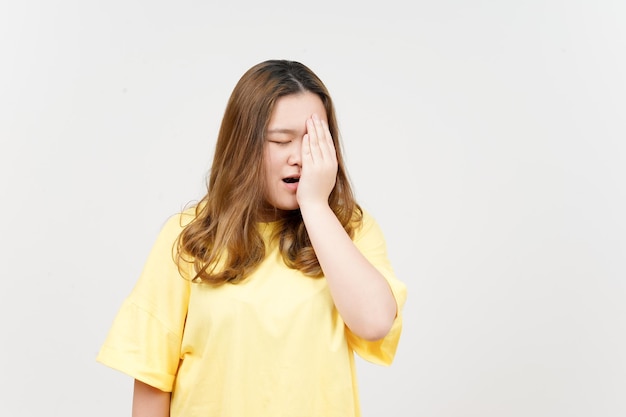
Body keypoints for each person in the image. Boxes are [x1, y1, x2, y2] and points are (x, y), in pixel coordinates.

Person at [97, 59, 407, 417]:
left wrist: (315, 205)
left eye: (314, 142)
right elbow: (153, 380)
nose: (299, 157)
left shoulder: (349, 228)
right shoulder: (190, 237)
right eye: (281, 141)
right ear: (243, 145)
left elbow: (374, 323)